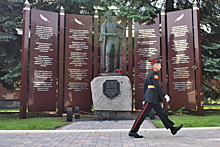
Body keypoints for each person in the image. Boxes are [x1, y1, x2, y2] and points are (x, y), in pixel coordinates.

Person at [129, 56, 183, 138]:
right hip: (151, 97)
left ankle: (172, 129)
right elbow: (156, 85)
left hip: (152, 97)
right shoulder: (154, 73)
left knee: (162, 113)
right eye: (160, 65)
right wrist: (164, 94)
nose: (161, 67)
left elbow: (145, 85)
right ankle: (133, 131)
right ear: (156, 64)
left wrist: (144, 97)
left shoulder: (150, 72)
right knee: (142, 115)